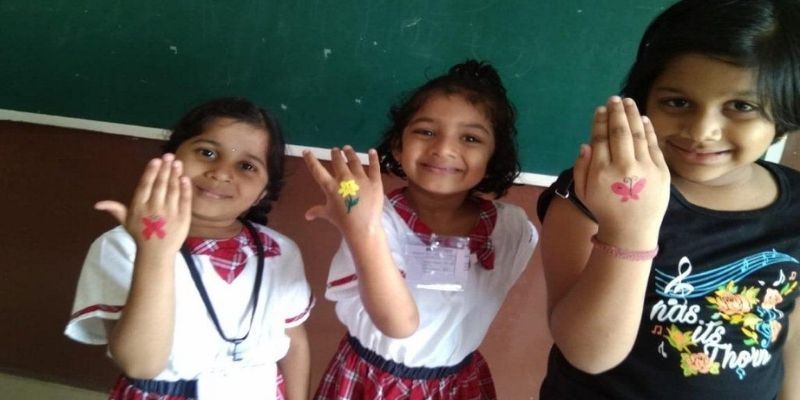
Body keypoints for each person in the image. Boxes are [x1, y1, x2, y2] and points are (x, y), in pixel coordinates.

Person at [536, 0, 800, 398]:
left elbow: (790, 331)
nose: (703, 131)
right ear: (643, 102)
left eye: (741, 107)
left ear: (783, 115)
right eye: (677, 102)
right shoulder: (590, 194)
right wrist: (629, 230)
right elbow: (588, 354)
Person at [303, 59, 538, 399]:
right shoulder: (373, 221)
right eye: (426, 131)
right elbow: (398, 325)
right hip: (373, 381)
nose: (443, 149)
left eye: (471, 138)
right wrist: (361, 228)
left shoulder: (512, 229)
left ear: (493, 158)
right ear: (398, 146)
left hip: (456, 384)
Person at [65, 97, 314, 400]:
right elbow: (140, 364)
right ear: (171, 158)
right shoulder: (123, 246)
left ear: (263, 192)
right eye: (207, 152)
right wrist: (155, 255)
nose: (221, 172)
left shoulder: (280, 252)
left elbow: (294, 343)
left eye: (247, 166)